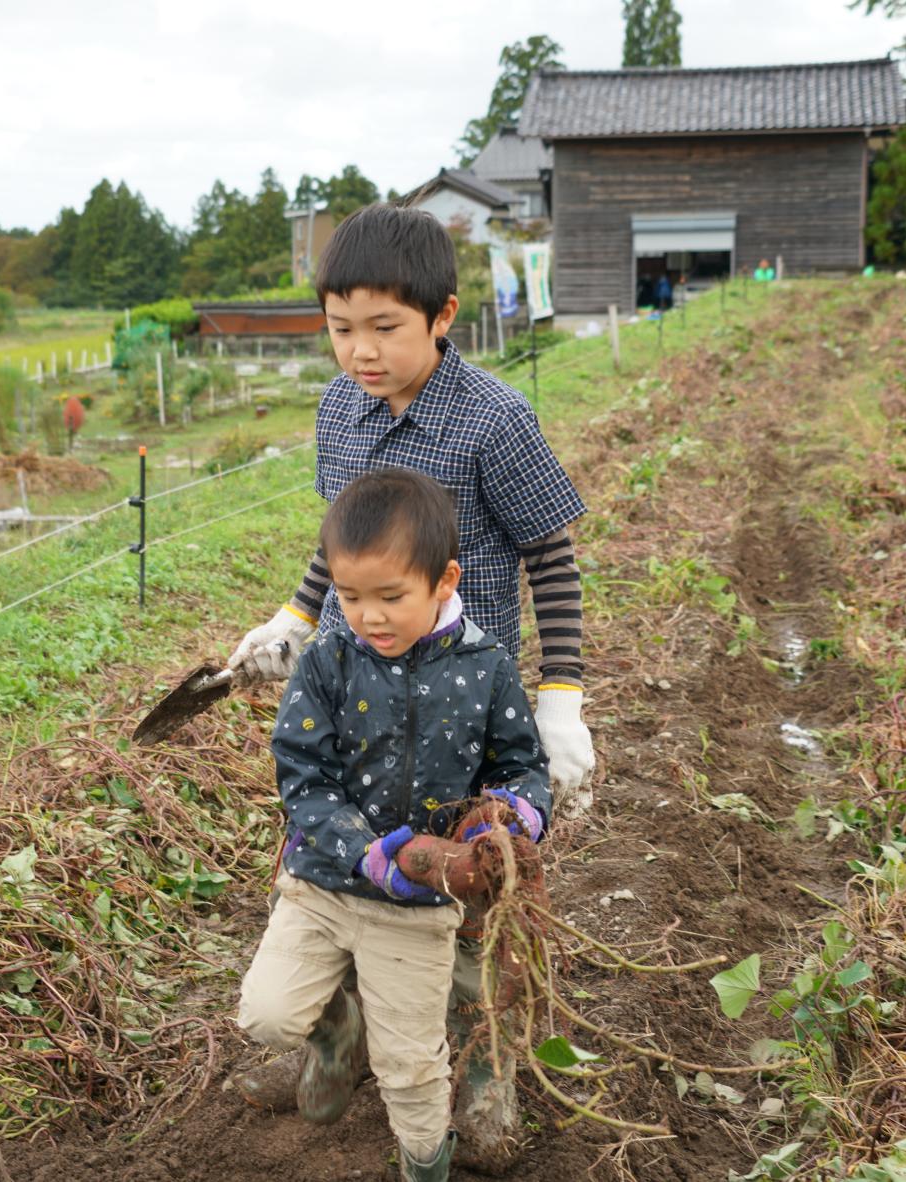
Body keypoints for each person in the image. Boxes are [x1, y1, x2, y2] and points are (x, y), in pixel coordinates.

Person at [225, 204, 585, 1164]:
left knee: (467, 906)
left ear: (442, 316)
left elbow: (551, 556)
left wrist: (562, 701)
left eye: (384, 327)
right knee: (334, 865)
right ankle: (337, 1041)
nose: (359, 351)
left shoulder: (494, 420)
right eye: (342, 328)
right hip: (351, 700)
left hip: (465, 707)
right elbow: (341, 538)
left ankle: (480, 1074)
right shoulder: (338, 410)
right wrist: (300, 617)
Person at [236, 467, 551, 1182]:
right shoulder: (329, 659)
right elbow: (303, 775)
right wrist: (370, 853)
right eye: (349, 597)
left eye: (390, 597)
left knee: (410, 1067)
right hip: (324, 883)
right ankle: (335, 1028)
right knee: (265, 1015)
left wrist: (506, 819)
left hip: (418, 910)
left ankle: (424, 1162)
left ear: (443, 581)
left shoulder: (485, 665)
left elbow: (522, 766)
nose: (369, 616)